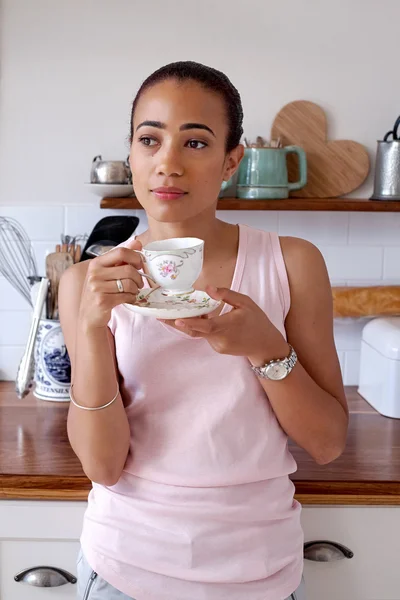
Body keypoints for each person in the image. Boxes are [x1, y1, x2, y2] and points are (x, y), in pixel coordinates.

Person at [59, 61, 348, 600]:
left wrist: (265, 348)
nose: (167, 164)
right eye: (150, 140)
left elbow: (328, 443)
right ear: (131, 155)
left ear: (231, 161)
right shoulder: (87, 284)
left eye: (195, 143)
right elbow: (102, 466)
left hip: (260, 574)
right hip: (124, 571)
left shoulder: (292, 264)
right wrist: (94, 327)